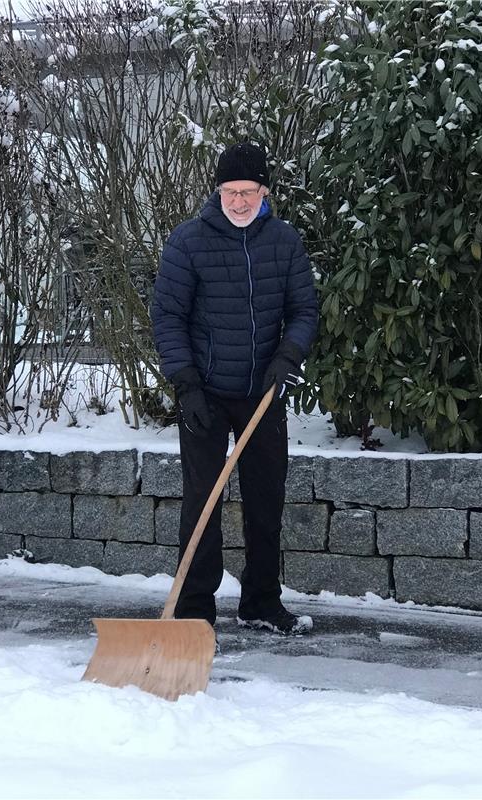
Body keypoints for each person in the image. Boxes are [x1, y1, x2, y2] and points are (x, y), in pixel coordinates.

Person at [151, 141, 319, 636]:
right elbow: (167, 316)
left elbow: (304, 311)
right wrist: (185, 385)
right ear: (217, 190)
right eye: (230, 191)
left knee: (266, 502)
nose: (239, 201)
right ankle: (195, 611)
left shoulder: (284, 242)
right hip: (204, 393)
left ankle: (261, 601)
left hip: (262, 392)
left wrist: (287, 357)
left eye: (248, 191)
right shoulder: (189, 241)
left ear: (265, 191)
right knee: (202, 502)